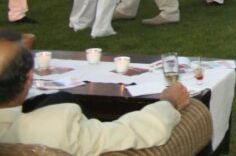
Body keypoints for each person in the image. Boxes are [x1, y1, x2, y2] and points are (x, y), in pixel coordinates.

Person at [0, 33, 192, 155]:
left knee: (58, 98)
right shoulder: (53, 127)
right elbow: (133, 132)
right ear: (29, 78)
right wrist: (169, 102)